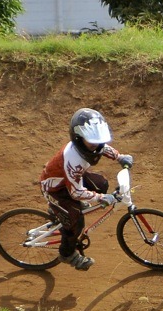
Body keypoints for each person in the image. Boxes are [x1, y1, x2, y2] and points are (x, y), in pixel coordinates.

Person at [40, 108, 134, 270]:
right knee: (76, 223)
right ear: (78, 138)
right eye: (92, 141)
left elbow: (103, 148)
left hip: (71, 180)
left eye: (98, 139)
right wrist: (100, 198)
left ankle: (63, 212)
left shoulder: (92, 144)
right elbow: (75, 192)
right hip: (56, 189)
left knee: (102, 184)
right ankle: (67, 254)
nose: (95, 145)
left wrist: (119, 157)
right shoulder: (73, 159)